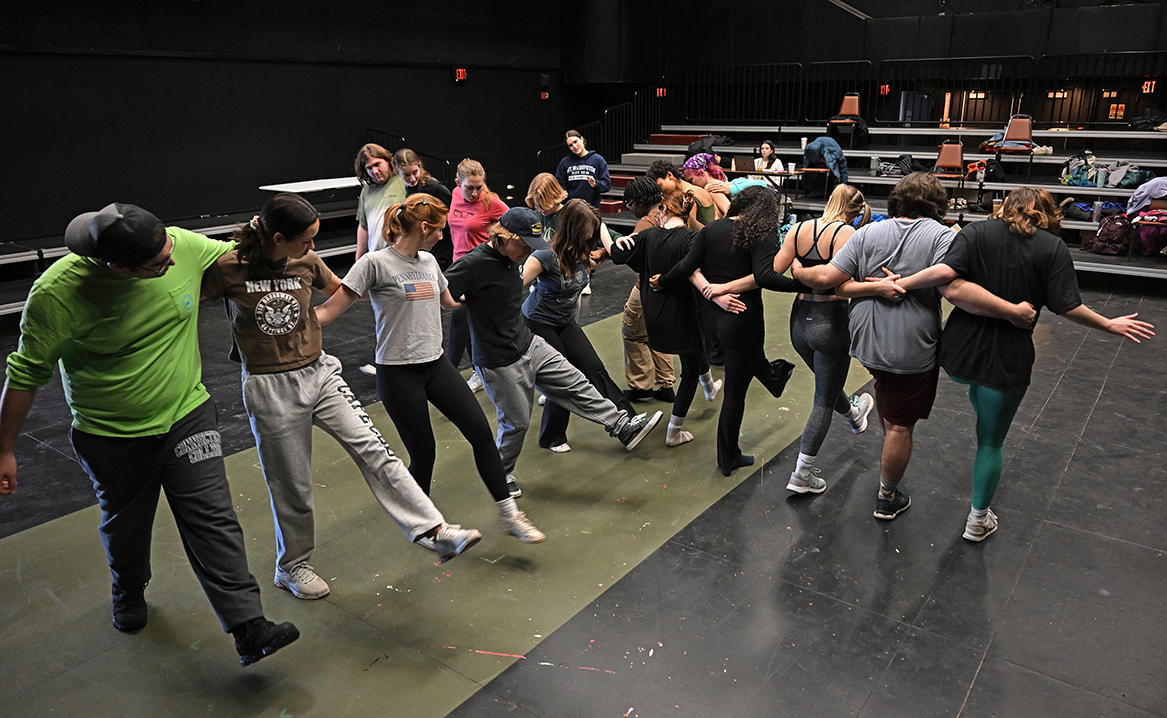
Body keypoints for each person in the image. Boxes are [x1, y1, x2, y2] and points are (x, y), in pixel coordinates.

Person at [0, 203, 297, 667]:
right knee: (126, 526)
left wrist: (283, 232)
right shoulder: (59, 294)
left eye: (169, 250)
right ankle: (129, 588)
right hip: (110, 433)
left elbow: (242, 255)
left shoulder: (181, 246)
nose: (173, 262)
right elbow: (25, 373)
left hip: (186, 414)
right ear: (116, 265)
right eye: (159, 264)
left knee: (213, 516)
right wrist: (5, 449)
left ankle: (248, 626)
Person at [201, 193, 483, 596]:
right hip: (269, 384)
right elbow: (181, 300)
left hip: (320, 372)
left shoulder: (306, 262)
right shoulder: (229, 268)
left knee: (376, 449)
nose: (313, 248)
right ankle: (292, 567)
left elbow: (348, 288)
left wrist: (401, 280)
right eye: (305, 240)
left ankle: (433, 529)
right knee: (292, 485)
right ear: (278, 237)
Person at [891, 187, 1154, 540]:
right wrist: (1108, 324)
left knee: (978, 393)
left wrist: (900, 284)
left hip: (958, 352)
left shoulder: (975, 232)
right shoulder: (1052, 247)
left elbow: (944, 275)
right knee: (991, 442)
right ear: (1047, 213)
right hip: (1006, 358)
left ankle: (982, 408)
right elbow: (1066, 305)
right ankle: (978, 519)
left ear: (1006, 208)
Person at [792, 172, 1035, 521]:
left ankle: (889, 443)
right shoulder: (940, 236)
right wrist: (1012, 312)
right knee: (900, 426)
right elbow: (954, 291)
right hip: (909, 347)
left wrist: (800, 273)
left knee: (889, 400)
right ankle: (887, 497)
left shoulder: (867, 233)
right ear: (937, 203)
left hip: (866, 342)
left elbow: (834, 285)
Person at [314, 193, 544, 544]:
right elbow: (329, 310)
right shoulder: (375, 264)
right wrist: (292, 325)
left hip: (435, 366)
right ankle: (422, 528)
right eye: (439, 229)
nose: (443, 235)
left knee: (481, 434)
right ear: (424, 227)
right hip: (397, 372)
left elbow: (449, 301)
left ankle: (510, 515)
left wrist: (487, 291)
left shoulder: (428, 262)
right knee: (424, 452)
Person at [443, 207, 663, 496]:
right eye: (523, 244)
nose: (526, 251)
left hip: (527, 342)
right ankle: (501, 473)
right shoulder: (474, 263)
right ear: (504, 237)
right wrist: (462, 304)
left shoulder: (513, 256)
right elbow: (444, 295)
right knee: (517, 423)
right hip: (497, 359)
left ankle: (621, 425)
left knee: (575, 382)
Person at [654, 187, 802, 475]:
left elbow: (686, 266)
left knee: (745, 358)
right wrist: (805, 285)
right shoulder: (761, 234)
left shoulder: (712, 229)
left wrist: (663, 281)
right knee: (735, 393)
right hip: (743, 318)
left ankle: (774, 378)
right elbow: (765, 276)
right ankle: (728, 458)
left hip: (714, 319)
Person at [768, 184, 876, 493]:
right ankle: (802, 474)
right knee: (823, 400)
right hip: (831, 322)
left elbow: (776, 270)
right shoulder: (850, 235)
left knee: (827, 386)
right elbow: (854, 280)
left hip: (799, 322)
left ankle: (855, 414)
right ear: (855, 213)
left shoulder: (800, 228)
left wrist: (800, 271)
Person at [603, 192, 725, 448]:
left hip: (655, 315)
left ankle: (710, 386)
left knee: (695, 351)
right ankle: (674, 431)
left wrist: (606, 230)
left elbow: (616, 253)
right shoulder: (693, 238)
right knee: (690, 366)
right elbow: (695, 270)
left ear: (665, 211)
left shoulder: (647, 236)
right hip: (684, 313)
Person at [524, 199, 639, 452]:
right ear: (574, 231)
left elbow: (611, 248)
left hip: (564, 322)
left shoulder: (584, 253)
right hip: (538, 324)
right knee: (565, 377)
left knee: (594, 368)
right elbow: (510, 290)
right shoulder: (544, 256)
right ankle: (552, 437)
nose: (592, 240)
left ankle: (629, 421)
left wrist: (614, 245)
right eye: (588, 234)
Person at [447, 158, 508, 393]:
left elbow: (514, 222)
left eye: (478, 187)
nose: (474, 192)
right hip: (458, 268)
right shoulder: (453, 195)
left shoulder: (491, 202)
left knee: (466, 321)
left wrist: (498, 250)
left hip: (482, 269)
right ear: (457, 183)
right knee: (465, 321)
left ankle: (452, 374)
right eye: (469, 187)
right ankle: (479, 372)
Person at [616, 177, 677, 402]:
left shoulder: (645, 223)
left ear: (640, 200)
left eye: (630, 204)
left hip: (646, 287)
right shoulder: (672, 212)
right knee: (658, 333)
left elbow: (635, 258)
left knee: (633, 333)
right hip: (669, 287)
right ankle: (666, 384)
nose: (630, 209)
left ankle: (641, 386)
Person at [354, 143, 408, 375]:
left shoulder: (402, 182)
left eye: (378, 164)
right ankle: (388, 362)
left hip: (402, 258)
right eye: (369, 168)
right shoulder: (367, 191)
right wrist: (359, 256)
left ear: (388, 161)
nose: (375, 171)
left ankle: (407, 360)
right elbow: (363, 225)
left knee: (406, 311)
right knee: (383, 312)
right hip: (377, 259)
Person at [395, 148, 456, 350]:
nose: (412, 178)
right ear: (397, 172)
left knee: (432, 297)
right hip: (422, 250)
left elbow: (452, 218)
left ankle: (432, 346)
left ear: (420, 167)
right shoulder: (406, 190)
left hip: (441, 248)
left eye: (415, 172)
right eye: (406, 175)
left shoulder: (435, 188)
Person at [647, 160, 721, 228]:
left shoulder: (688, 195)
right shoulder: (696, 189)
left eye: (660, 186)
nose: (661, 193)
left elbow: (688, 229)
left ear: (669, 175)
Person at [555, 130, 611, 208]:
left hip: (591, 208)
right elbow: (559, 184)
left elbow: (607, 185)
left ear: (581, 139)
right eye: (570, 145)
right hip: (572, 208)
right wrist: (564, 194)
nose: (574, 146)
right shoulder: (565, 162)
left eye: (575, 142)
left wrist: (595, 184)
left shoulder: (598, 160)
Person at [679, 154, 731, 218]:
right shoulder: (724, 183)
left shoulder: (712, 187)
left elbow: (730, 213)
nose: (691, 184)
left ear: (701, 173)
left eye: (691, 180)